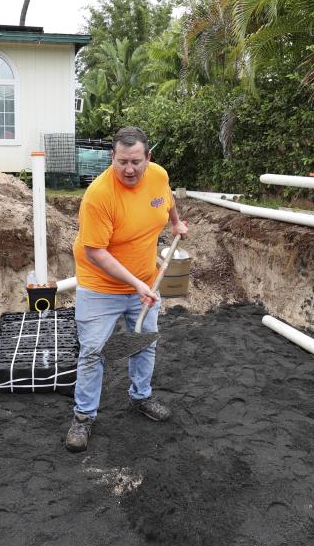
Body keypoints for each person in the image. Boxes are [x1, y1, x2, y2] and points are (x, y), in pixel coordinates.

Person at [65, 126, 188, 452]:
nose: (129, 169)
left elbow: (167, 199)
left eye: (136, 161)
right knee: (93, 352)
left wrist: (176, 222)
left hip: (145, 281)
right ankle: (84, 416)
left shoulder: (158, 176)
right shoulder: (99, 195)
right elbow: (95, 251)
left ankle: (141, 397)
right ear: (112, 158)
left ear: (148, 158)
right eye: (122, 162)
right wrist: (136, 284)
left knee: (144, 342)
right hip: (100, 287)